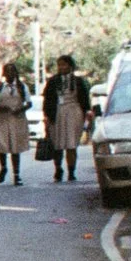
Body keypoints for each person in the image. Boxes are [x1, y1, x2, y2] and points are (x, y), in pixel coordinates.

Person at [43, 55, 94, 183]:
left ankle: (71, 171)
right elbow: (48, 99)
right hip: (57, 112)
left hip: (74, 112)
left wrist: (87, 113)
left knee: (71, 143)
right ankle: (58, 168)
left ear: (70, 66)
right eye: (59, 65)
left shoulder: (78, 81)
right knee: (57, 143)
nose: (61, 67)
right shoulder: (53, 81)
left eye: (64, 65)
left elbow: (84, 99)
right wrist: (47, 116)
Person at [0, 61, 32, 185]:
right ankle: (3, 167)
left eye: (12, 71)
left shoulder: (22, 87)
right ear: (4, 73)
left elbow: (29, 102)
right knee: (2, 145)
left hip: (17, 119)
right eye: (7, 71)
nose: (10, 74)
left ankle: (17, 174)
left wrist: (20, 109)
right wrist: (3, 108)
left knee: (15, 147)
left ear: (16, 73)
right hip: (2, 119)